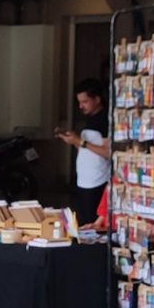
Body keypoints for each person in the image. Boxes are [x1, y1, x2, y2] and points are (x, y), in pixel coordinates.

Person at [56, 78, 109, 227]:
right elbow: (87, 150)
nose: (81, 106)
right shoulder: (91, 119)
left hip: (97, 180)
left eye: (85, 102)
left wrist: (80, 141)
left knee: (93, 225)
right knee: (82, 223)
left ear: (97, 99)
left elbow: (107, 152)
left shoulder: (105, 119)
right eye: (79, 102)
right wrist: (73, 141)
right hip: (83, 181)